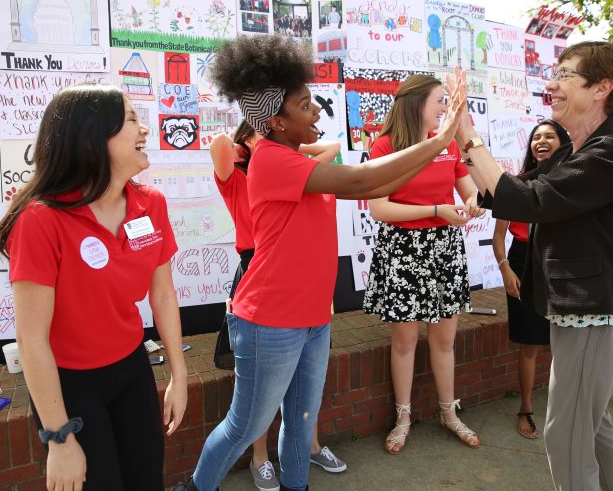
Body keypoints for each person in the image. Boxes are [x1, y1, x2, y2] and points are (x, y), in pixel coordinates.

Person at [174, 33, 467, 491]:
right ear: (275, 121)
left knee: (302, 419)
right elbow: (362, 180)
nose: (317, 111)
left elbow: (372, 184)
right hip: (269, 319)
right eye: (305, 104)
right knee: (246, 426)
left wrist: (438, 147)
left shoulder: (292, 155)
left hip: (312, 317)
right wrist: (444, 137)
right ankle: (196, 488)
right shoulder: (272, 160)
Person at [454, 41, 613, 491]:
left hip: (597, 314)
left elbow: (527, 201)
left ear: (601, 87)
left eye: (565, 74)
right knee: (592, 426)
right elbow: (509, 189)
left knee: (566, 437)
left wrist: (467, 132)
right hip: (579, 313)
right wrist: (463, 145)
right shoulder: (575, 153)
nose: (552, 84)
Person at [0, 84, 188, 490]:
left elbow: (164, 294)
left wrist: (179, 374)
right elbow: (32, 340)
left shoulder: (150, 203)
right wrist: (59, 437)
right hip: (69, 385)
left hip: (131, 370)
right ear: (91, 137)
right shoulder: (40, 221)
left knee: (146, 481)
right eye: (132, 120)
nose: (145, 130)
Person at [210, 122, 347, 491]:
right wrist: (254, 144)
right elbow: (219, 145)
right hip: (257, 272)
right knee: (257, 396)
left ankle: (307, 451)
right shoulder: (239, 176)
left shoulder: (296, 171)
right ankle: (259, 457)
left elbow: (332, 147)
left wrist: (286, 153)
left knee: (301, 394)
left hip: (302, 284)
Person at [362, 74, 484, 454]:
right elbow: (379, 209)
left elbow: (470, 189)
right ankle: (403, 417)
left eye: (446, 102)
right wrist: (435, 210)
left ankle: (449, 413)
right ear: (416, 103)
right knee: (404, 341)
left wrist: (471, 204)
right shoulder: (384, 146)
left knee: (444, 340)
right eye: (439, 101)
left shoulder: (445, 147)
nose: (444, 109)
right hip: (401, 250)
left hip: (445, 248)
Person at [492, 119, 569, 440]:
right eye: (536, 137)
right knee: (530, 345)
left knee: (567, 345)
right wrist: (505, 268)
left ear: (562, 143)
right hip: (522, 263)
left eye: (550, 136)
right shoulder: (517, 186)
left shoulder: (573, 183)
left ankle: (568, 410)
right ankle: (526, 408)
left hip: (561, 264)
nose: (542, 140)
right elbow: (498, 238)